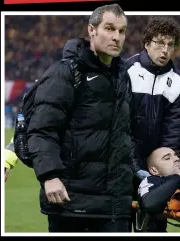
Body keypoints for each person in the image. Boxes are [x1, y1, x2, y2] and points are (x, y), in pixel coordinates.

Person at [25, 4, 134, 232]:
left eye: (122, 31)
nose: (116, 37)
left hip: (114, 207)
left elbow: (124, 138)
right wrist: (49, 176)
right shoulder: (65, 73)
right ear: (92, 30)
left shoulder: (123, 77)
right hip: (70, 202)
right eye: (109, 28)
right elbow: (41, 130)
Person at [124, 16, 180, 232]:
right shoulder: (126, 71)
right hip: (122, 165)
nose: (165, 50)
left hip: (156, 171)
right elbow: (121, 126)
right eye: (159, 43)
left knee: (154, 228)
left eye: (170, 45)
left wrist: (161, 173)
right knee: (119, 226)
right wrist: (135, 167)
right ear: (147, 43)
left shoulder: (179, 84)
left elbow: (173, 135)